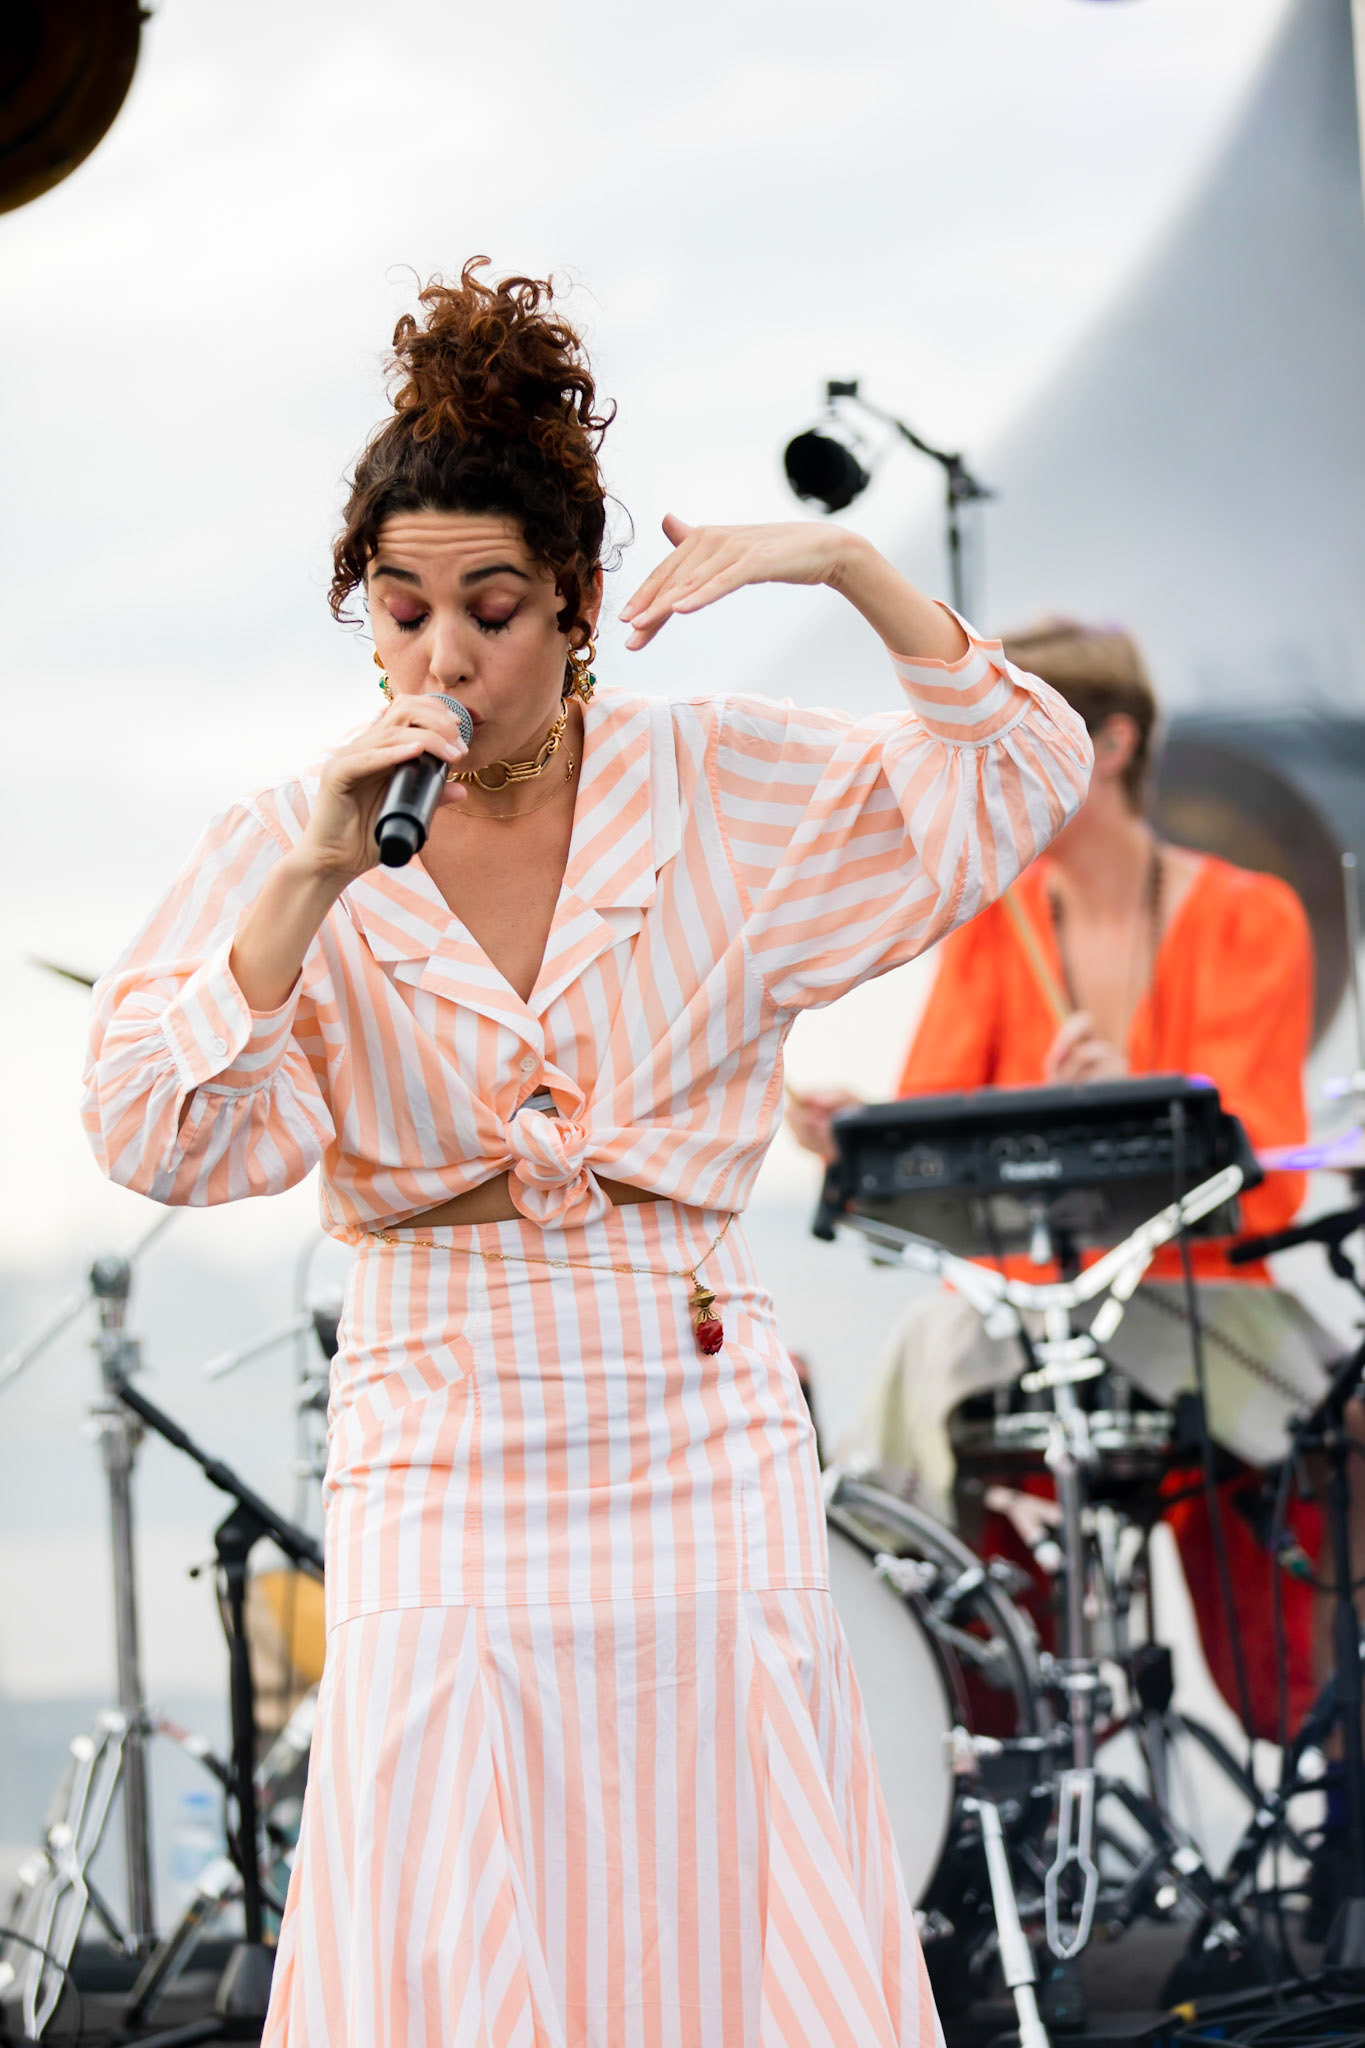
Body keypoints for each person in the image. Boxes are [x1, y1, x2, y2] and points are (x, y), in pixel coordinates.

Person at [82, 262, 1091, 2047]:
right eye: (402, 612)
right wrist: (307, 884)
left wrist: (846, 569)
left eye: (491, 608)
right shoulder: (292, 837)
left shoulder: (715, 788)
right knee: (446, 1846)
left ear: (578, 606)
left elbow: (1016, 776)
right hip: (443, 1404)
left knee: (724, 1848)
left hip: (684, 1393)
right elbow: (159, 1127)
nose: (443, 656)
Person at [787, 618, 1334, 1744]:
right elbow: (933, 1138)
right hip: (1026, 1315)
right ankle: (972, 1727)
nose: (990, 775)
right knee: (928, 1364)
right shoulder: (993, 924)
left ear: (1111, 744)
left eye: (1016, 741)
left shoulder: (1251, 915)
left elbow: (1266, 1176)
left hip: (1198, 1302)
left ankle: (1317, 1746)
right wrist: (858, 1140)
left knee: (1320, 1460)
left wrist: (1134, 1094)